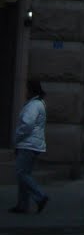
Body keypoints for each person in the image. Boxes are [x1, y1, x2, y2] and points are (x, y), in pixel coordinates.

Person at [9, 79, 49, 215]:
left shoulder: (33, 105)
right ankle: (22, 205)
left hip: (28, 144)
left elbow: (27, 124)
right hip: (33, 144)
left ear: (31, 91)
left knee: (22, 174)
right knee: (24, 174)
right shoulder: (39, 104)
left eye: (27, 89)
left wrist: (16, 138)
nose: (25, 92)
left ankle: (40, 196)